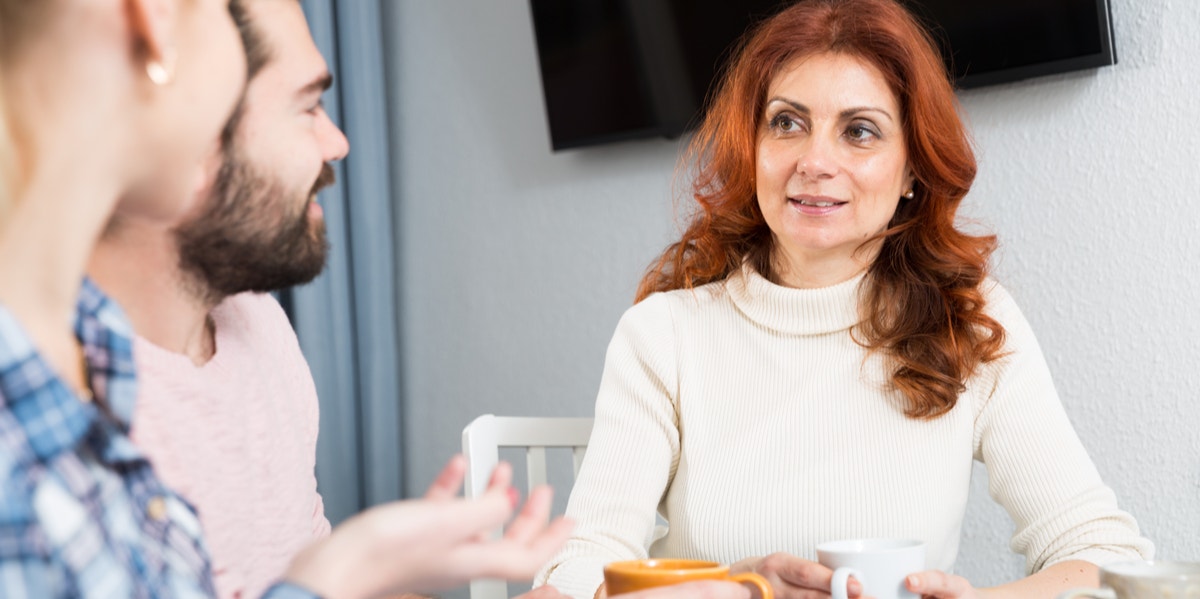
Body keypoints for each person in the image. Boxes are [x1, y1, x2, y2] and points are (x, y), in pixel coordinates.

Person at [535, 1, 1153, 598]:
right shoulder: (663, 335)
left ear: (912, 170)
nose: (815, 160)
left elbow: (1105, 552)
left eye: (859, 131)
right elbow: (576, 572)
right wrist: (736, 590)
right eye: (786, 122)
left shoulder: (969, 321)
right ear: (752, 149)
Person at [0, 0, 571, 597]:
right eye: (309, 103)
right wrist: (334, 579)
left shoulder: (112, 354)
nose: (339, 142)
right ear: (156, 20)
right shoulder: (58, 397)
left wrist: (374, 578)